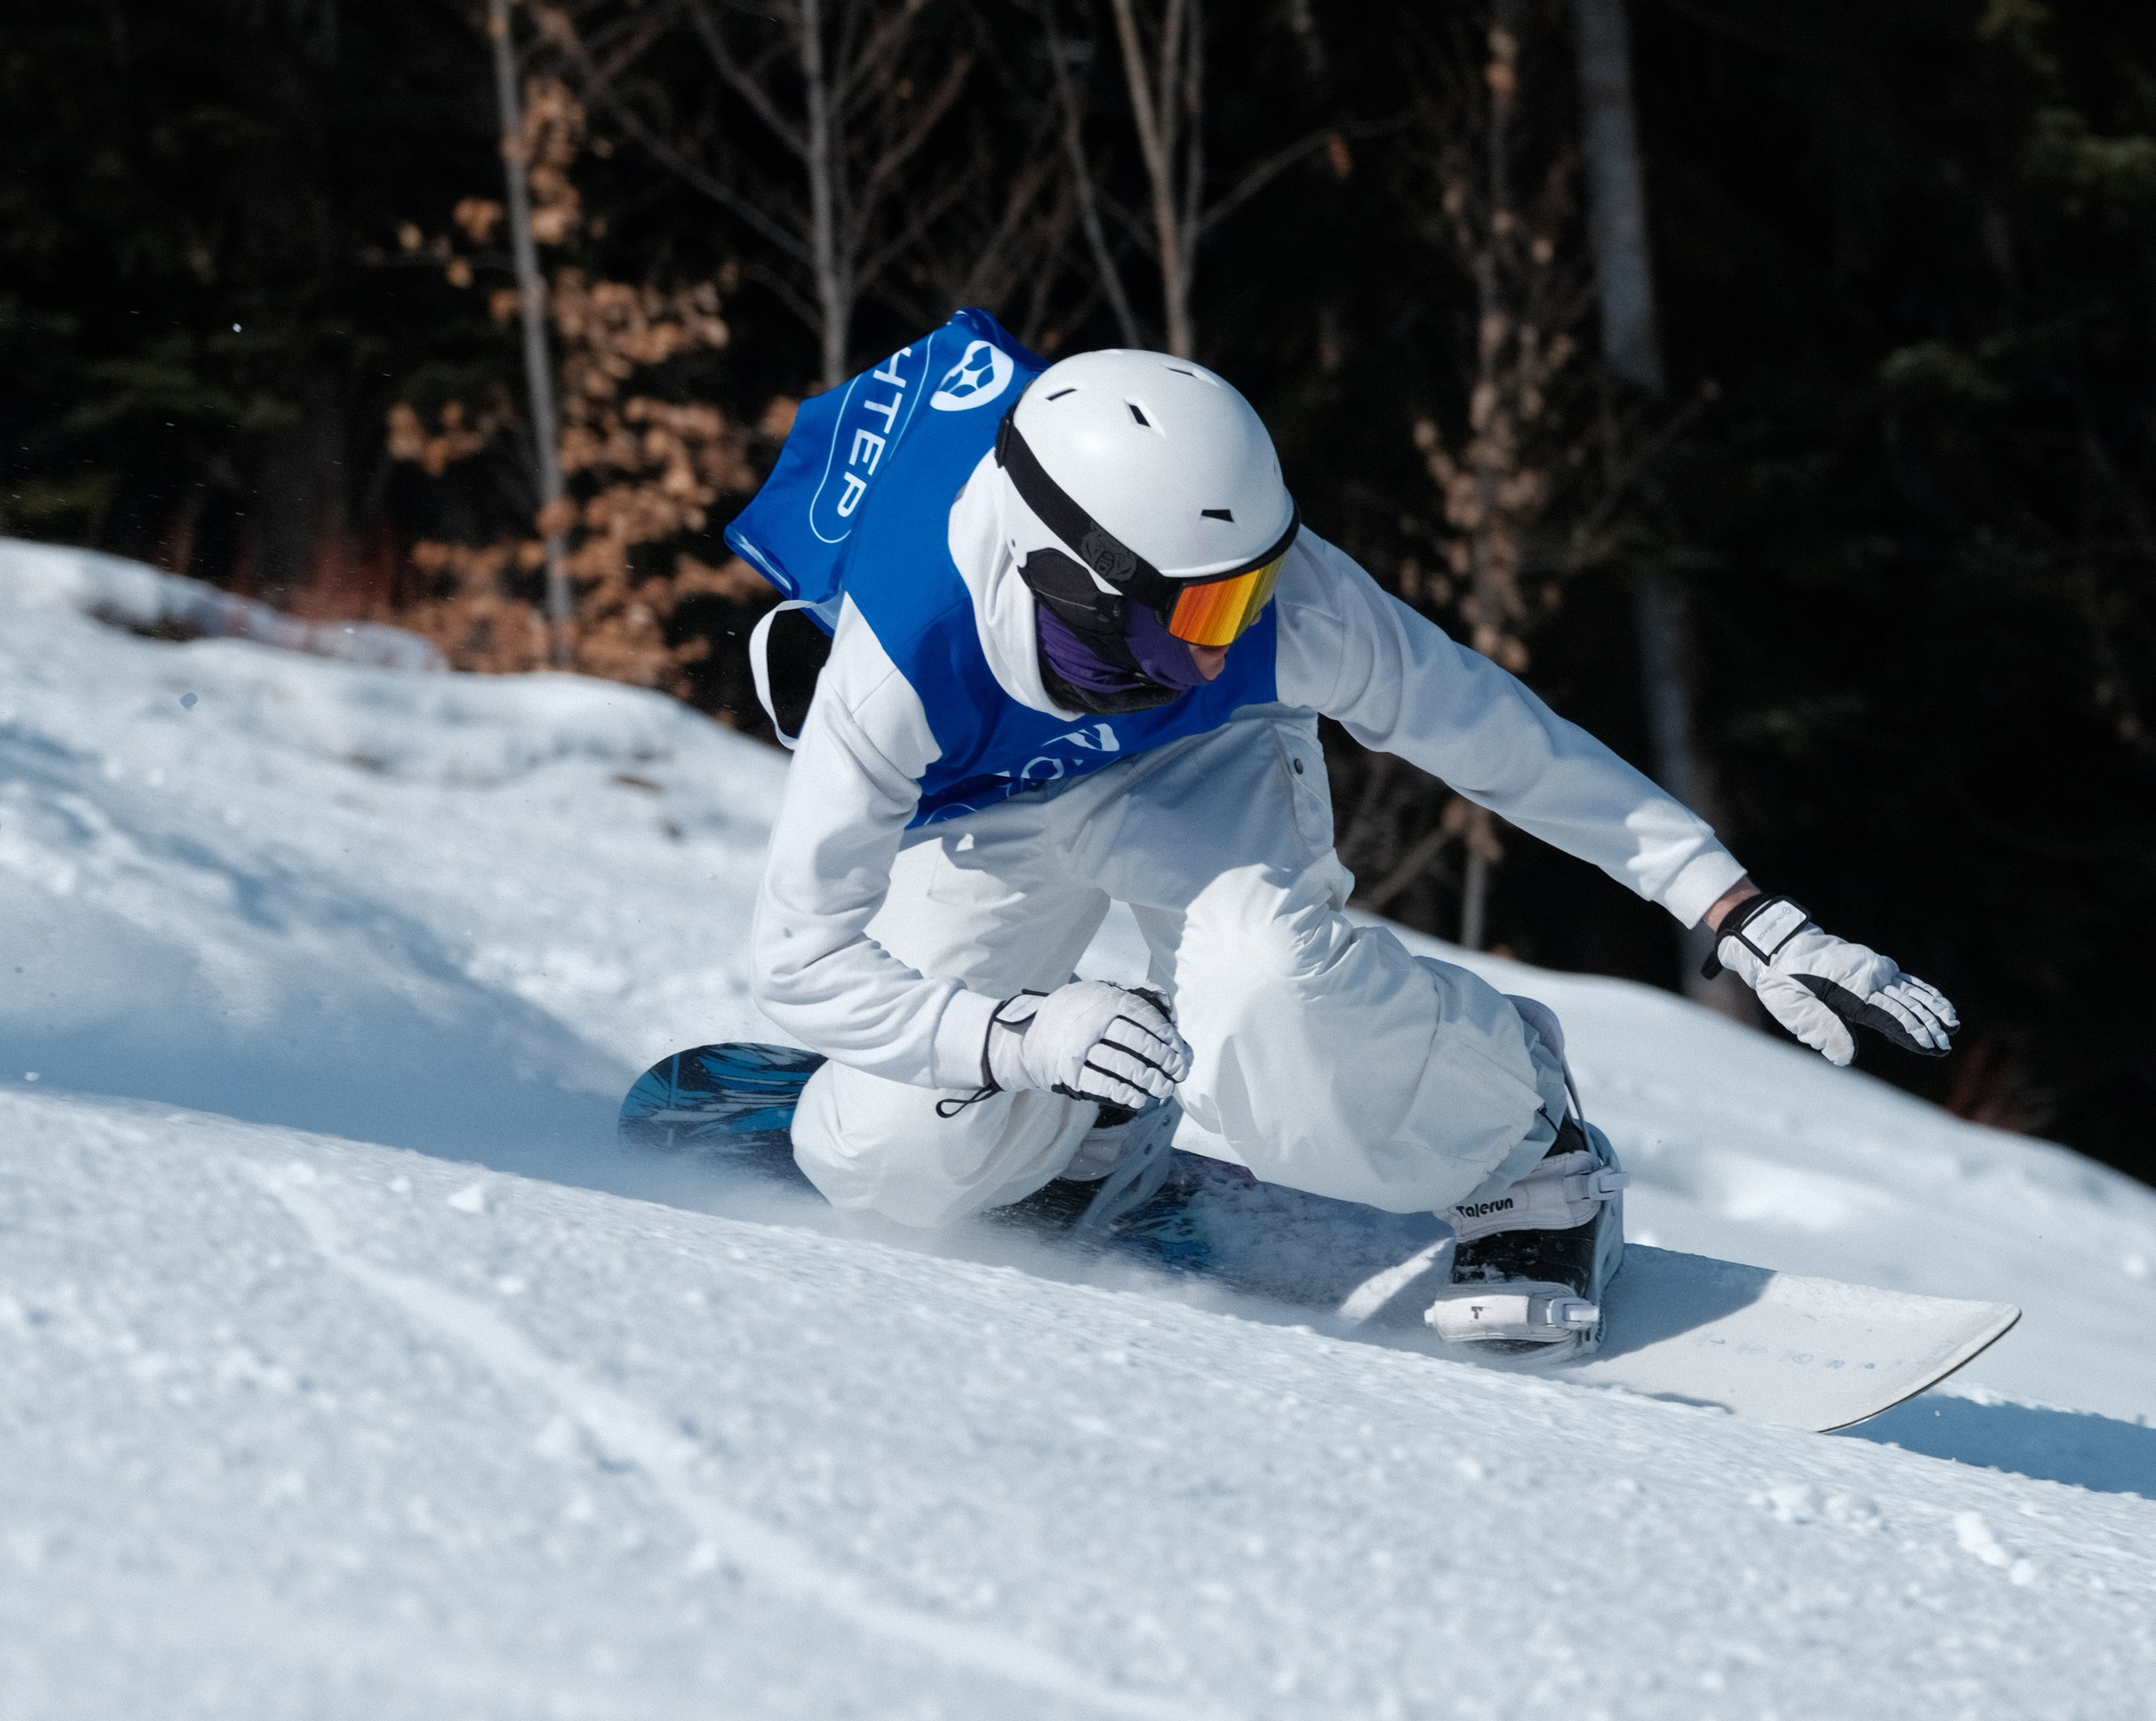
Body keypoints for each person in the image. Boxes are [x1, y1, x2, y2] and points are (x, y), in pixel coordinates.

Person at [738, 334, 1954, 1341]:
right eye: (1188, 620)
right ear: (1052, 576)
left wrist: (1735, 907)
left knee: (1264, 991)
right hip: (988, 811)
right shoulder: (898, 662)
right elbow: (798, 959)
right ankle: (1099, 1114)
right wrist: (1010, 1036)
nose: (1221, 649)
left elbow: (1495, 734)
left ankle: (1530, 1136)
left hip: (1187, 771)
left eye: (1241, 601)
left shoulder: (1272, 600)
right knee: (886, 1173)